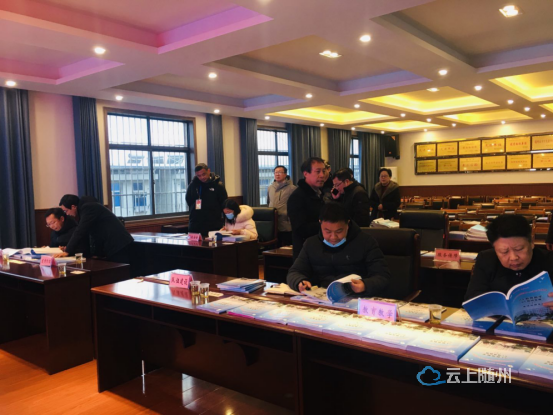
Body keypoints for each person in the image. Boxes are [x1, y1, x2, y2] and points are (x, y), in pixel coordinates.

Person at [287, 202, 390, 296]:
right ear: (320, 223)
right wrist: (299, 282)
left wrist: (365, 285)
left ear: (348, 224)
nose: (333, 237)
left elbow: (382, 276)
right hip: (321, 298)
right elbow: (295, 272)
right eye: (327, 231)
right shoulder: (311, 244)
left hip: (356, 298)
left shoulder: (366, 242)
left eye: (339, 231)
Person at [464, 215, 553, 310]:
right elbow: (472, 298)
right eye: (504, 251)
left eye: (519, 249)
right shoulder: (486, 259)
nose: (513, 258)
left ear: (531, 242)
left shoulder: (550, 260)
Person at [56, 194, 134, 264]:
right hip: (111, 244)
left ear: (73, 207)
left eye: (66, 211)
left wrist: (67, 251)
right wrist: (69, 248)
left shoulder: (88, 208)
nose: (67, 214)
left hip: (118, 243)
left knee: (120, 271)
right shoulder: (84, 209)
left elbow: (80, 231)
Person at [287, 157, 326, 258]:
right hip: (306, 251)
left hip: (322, 247)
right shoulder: (297, 197)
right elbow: (300, 228)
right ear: (305, 174)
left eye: (323, 171)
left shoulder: (320, 193)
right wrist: (326, 225)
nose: (322, 175)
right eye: (318, 171)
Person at [185, 163, 228, 236]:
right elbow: (189, 200)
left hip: (213, 224)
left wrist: (225, 223)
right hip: (195, 224)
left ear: (208, 171)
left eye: (203, 174)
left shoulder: (218, 185)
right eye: (199, 175)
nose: (202, 177)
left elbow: (224, 205)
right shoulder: (193, 185)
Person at [267, 165, 296, 246]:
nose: (277, 174)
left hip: (286, 223)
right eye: (275, 172)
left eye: (280, 172)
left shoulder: (292, 188)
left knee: (287, 246)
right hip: (273, 221)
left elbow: (295, 206)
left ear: (285, 174)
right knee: (274, 247)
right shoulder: (270, 188)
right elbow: (268, 202)